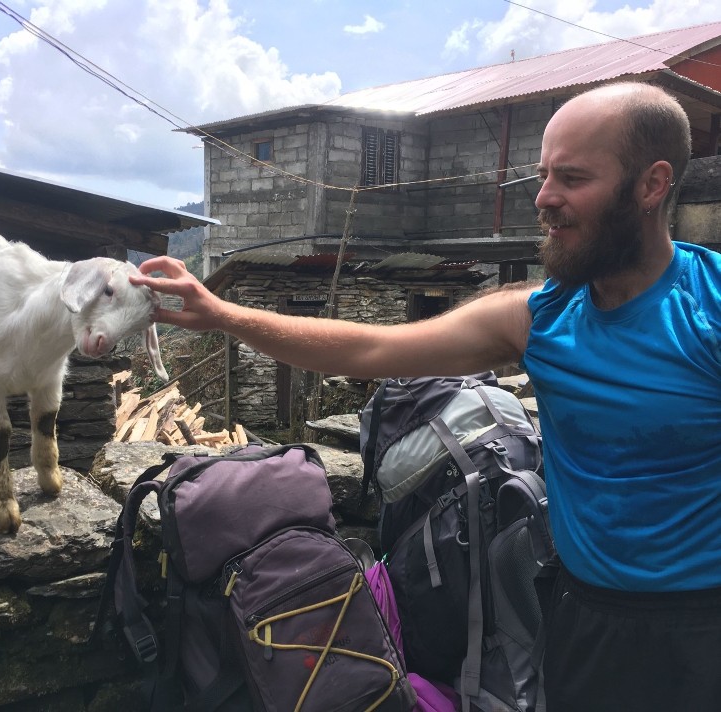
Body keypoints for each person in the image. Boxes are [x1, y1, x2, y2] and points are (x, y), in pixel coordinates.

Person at [130, 82, 721, 711]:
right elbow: (371, 349)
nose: (544, 199)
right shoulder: (542, 318)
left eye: (572, 178)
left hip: (699, 630)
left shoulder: (706, 314)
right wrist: (223, 314)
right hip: (577, 616)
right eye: (542, 174)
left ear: (651, 185)